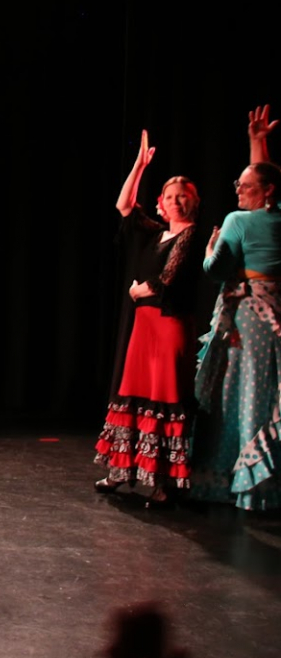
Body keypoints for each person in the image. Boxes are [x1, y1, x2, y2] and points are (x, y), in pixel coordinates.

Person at [93, 131, 202, 507]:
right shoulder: (156, 234)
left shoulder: (191, 235)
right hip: (144, 327)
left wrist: (143, 290)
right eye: (170, 196)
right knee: (133, 393)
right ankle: (121, 471)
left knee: (163, 397)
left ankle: (162, 484)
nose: (176, 201)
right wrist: (139, 166)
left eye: (183, 195)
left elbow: (169, 277)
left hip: (169, 325)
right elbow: (124, 205)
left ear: (194, 201)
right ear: (161, 204)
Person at [188, 106, 281, 510]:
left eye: (244, 186)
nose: (238, 190)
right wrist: (258, 143)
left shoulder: (237, 221)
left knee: (238, 394)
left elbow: (216, 270)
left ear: (265, 191)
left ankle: (232, 482)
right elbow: (267, 182)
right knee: (268, 390)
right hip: (275, 316)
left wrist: (210, 249)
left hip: (247, 318)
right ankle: (266, 485)